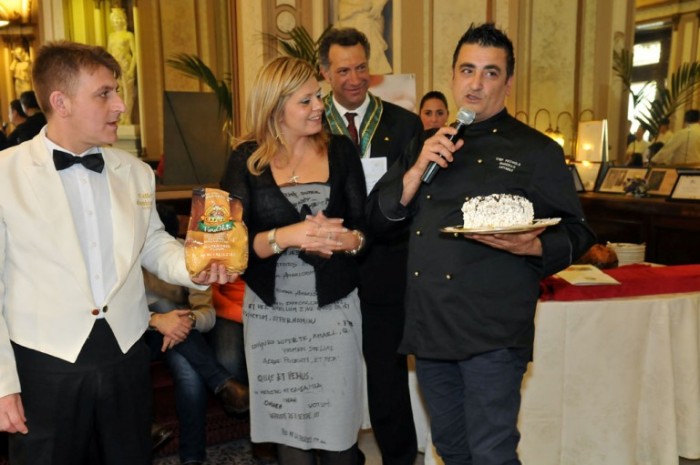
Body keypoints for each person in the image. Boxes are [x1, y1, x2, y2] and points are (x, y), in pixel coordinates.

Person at [366, 23, 596, 465]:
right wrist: (415, 168)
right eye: (467, 70)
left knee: (491, 451)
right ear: (453, 76)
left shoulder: (536, 151)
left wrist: (531, 247)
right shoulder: (425, 143)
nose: (476, 83)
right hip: (431, 325)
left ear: (508, 83)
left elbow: (579, 231)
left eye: (490, 73)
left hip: (494, 330)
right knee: (451, 448)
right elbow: (379, 220)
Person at [0, 40, 235, 465]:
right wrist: (3, 385)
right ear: (61, 102)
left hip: (125, 352)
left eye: (117, 91)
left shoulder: (136, 173)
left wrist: (195, 266)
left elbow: (153, 243)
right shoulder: (6, 174)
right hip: (44, 362)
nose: (121, 105)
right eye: (104, 94)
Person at [220, 56, 368, 465]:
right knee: (290, 437)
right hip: (272, 318)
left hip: (334, 315)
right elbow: (231, 247)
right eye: (306, 101)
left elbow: (364, 231)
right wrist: (287, 236)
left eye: (318, 96)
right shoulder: (246, 159)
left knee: (339, 439)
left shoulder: (341, 151)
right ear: (276, 107)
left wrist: (346, 240)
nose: (319, 106)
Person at [319, 27, 423, 465]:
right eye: (343, 70)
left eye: (361, 68)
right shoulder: (310, 124)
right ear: (325, 73)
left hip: (386, 267)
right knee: (329, 373)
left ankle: (399, 458)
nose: (355, 79)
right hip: (328, 268)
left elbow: (416, 202)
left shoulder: (403, 125)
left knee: (386, 375)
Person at [145, 204, 249, 465]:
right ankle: (222, 382)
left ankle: (192, 458)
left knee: (188, 369)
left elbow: (207, 313)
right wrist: (158, 320)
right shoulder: (128, 260)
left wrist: (187, 321)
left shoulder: (187, 257)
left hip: (180, 337)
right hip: (140, 335)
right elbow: (118, 314)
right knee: (164, 305)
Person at [336, 0, 392, 75]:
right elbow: (343, 14)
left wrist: (379, 4)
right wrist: (361, 8)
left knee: (372, 48)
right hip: (354, 24)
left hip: (369, 22)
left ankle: (372, 68)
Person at [108, 7, 137, 125]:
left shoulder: (128, 35)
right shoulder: (111, 36)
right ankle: (120, 117)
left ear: (123, 19)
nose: (117, 21)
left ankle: (127, 117)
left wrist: (131, 69)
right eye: (114, 19)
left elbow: (135, 53)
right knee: (117, 92)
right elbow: (109, 53)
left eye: (118, 18)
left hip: (126, 65)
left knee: (128, 93)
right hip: (115, 68)